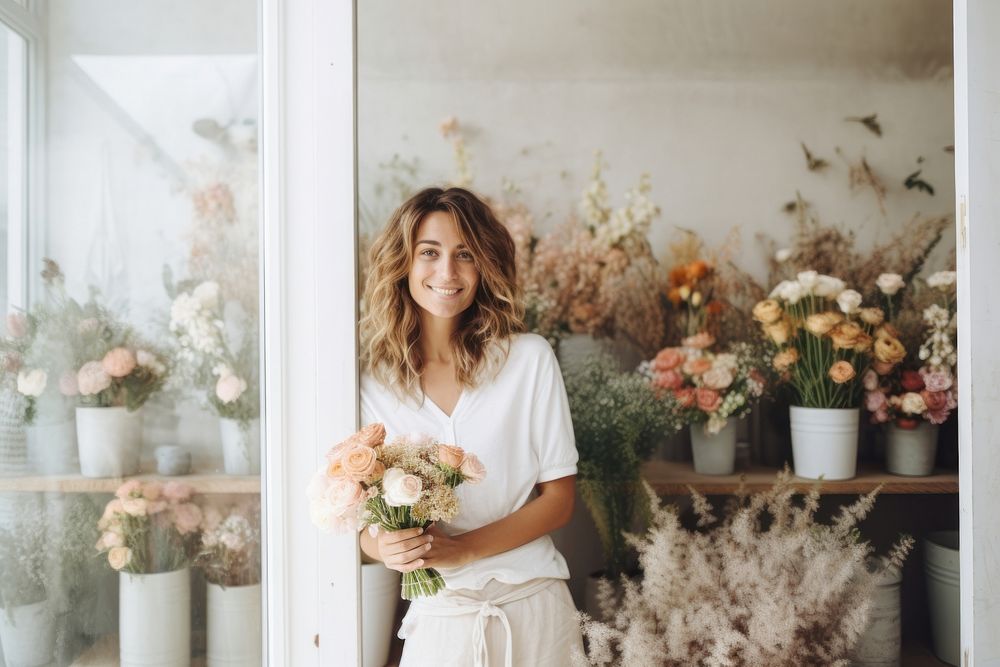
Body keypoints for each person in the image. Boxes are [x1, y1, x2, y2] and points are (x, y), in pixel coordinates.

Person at [359, 186, 584, 666]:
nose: (447, 272)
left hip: (536, 606)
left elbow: (560, 500)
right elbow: (361, 524)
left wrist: (462, 550)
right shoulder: (372, 386)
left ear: (485, 265)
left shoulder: (529, 360)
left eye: (465, 255)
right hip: (441, 618)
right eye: (430, 253)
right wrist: (386, 546)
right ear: (404, 263)